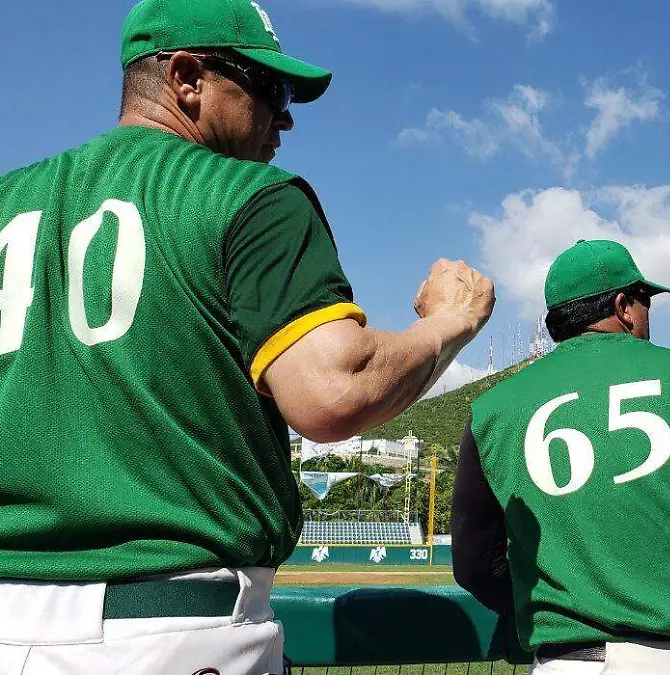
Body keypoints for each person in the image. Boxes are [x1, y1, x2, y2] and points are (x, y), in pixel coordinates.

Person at [0, 0, 493, 672]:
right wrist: (448, 321)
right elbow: (332, 391)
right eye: (270, 88)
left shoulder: (9, 199)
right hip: (171, 627)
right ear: (186, 79)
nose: (286, 116)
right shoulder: (251, 195)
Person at [451, 239, 670, 674]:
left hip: (580, 662)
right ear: (624, 305)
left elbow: (476, 562)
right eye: (646, 300)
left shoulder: (493, 409)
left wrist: (574, 601)